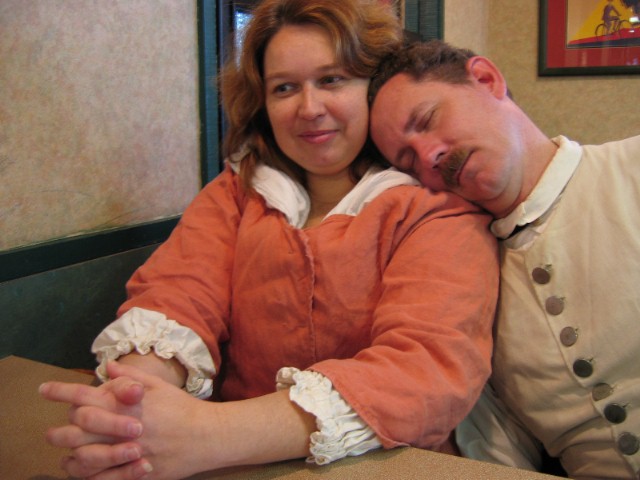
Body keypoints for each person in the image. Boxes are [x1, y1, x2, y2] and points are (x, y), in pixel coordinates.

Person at [39, 4, 499, 480]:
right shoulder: (238, 191)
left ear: (374, 86)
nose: (309, 108)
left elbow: (426, 369)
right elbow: (178, 293)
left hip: (387, 464)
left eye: (332, 80)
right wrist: (132, 404)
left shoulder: (437, 208)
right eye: (284, 88)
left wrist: (207, 434)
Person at [368, 38, 640, 479]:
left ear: (486, 79)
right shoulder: (464, 280)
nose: (429, 156)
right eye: (408, 162)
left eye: (428, 119)